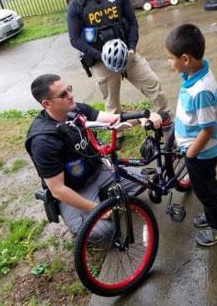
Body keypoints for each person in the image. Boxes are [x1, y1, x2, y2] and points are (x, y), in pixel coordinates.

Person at [25, 73, 162, 237]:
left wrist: (141, 118)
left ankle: (105, 195)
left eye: (69, 89)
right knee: (106, 231)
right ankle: (84, 211)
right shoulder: (43, 141)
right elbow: (58, 190)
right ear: (47, 103)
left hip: (98, 171)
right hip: (74, 189)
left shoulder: (75, 110)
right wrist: (95, 208)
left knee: (147, 181)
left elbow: (112, 121)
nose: (71, 95)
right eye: (63, 94)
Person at [66, 0, 172, 143]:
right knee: (112, 104)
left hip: (128, 56)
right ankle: (119, 133)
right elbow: (74, 39)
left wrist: (131, 47)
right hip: (101, 63)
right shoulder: (76, 6)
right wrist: (101, 56)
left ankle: (163, 119)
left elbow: (132, 23)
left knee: (153, 84)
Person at [165, 24, 217, 246]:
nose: (168, 63)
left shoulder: (202, 89)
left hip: (201, 152)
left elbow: (207, 128)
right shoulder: (196, 73)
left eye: (169, 58)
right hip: (202, 150)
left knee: (205, 191)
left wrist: (191, 154)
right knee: (208, 185)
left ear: (185, 59)